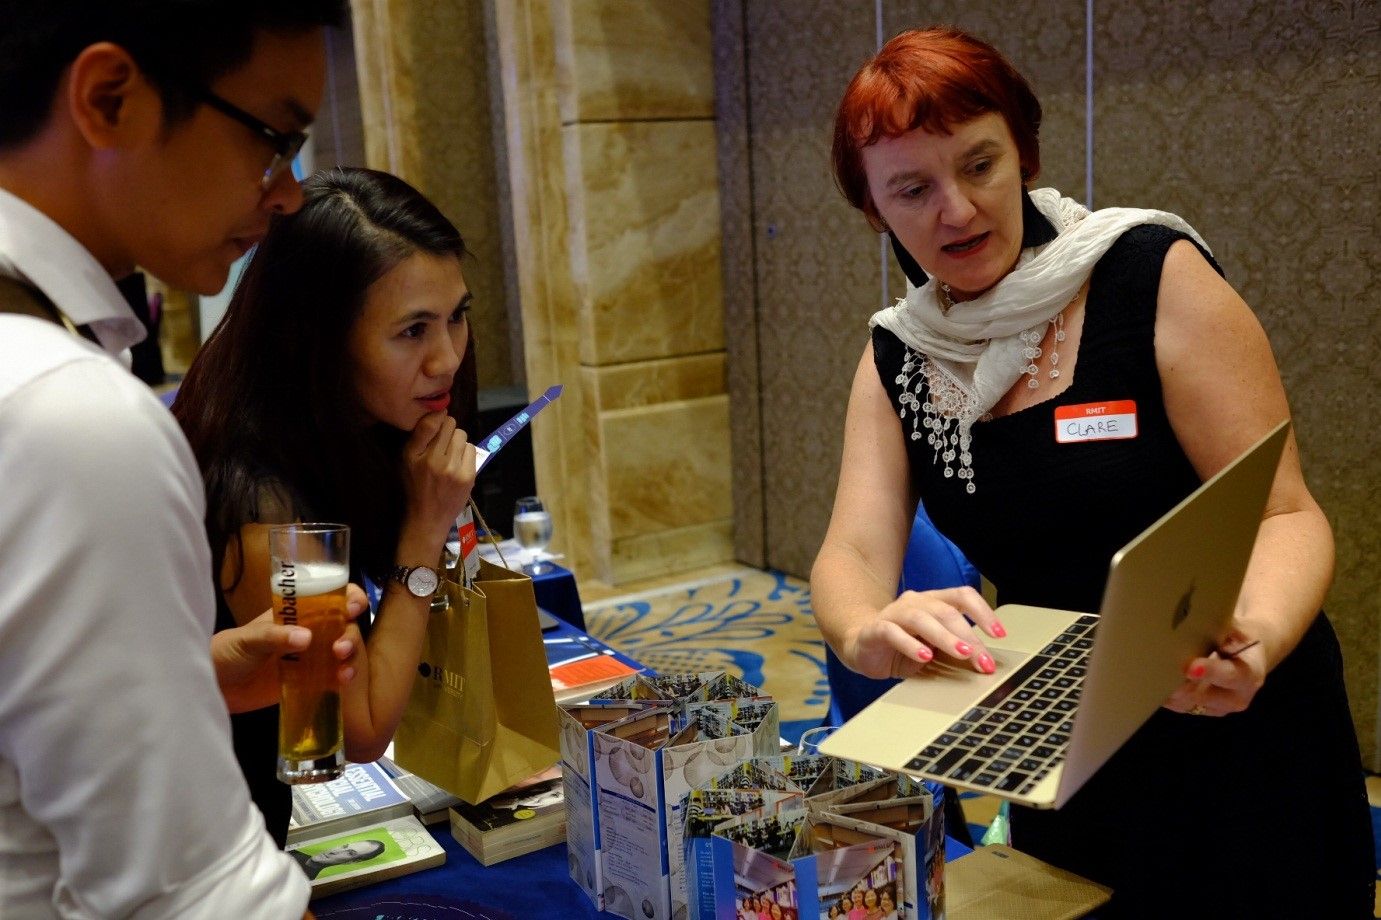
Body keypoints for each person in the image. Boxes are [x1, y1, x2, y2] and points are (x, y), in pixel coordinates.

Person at [811, 26, 1374, 917]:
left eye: (979, 164)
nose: (954, 209)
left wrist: (1256, 635)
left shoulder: (1149, 275)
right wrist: (863, 628)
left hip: (1230, 713)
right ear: (875, 211)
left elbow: (1286, 515)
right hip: (1057, 738)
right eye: (912, 189)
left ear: (1022, 152)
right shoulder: (900, 355)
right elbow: (849, 550)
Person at [0, 2, 349, 917]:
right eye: (274, 137)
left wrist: (180, 673)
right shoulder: (66, 414)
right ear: (110, 97)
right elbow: (191, 896)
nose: (288, 192)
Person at [173, 166, 479, 845]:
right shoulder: (262, 497)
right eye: (412, 331)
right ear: (321, 340)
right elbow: (356, 731)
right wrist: (425, 530)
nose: (447, 359)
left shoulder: (361, 420)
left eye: (456, 317)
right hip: (212, 838)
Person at [289, 838, 386, 880]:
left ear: (352, 861)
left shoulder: (307, 880)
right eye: (344, 846)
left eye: (350, 853)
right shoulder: (291, 849)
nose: (335, 851)